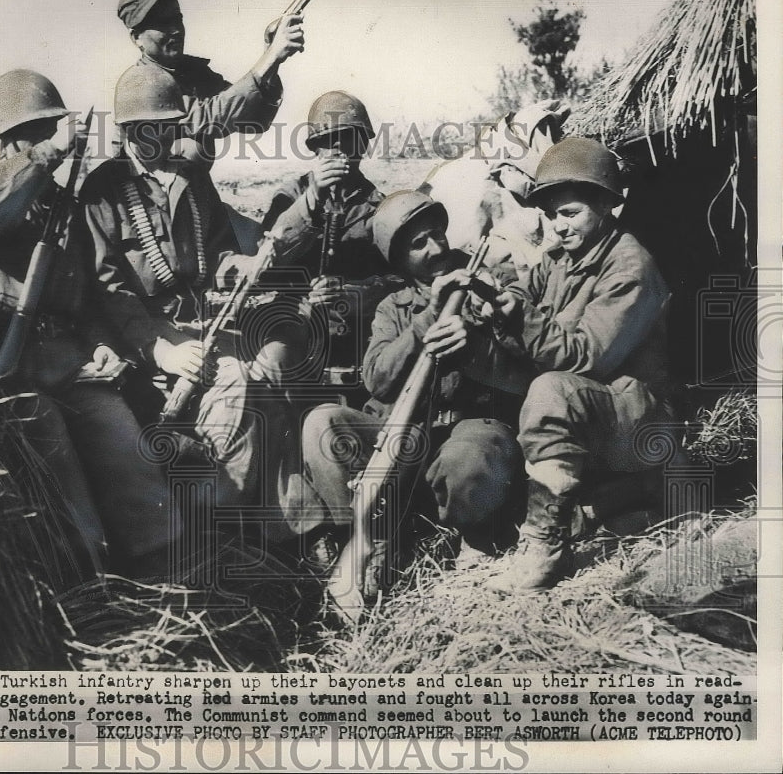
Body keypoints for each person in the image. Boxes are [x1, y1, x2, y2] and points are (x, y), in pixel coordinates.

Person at [0, 69, 180, 580]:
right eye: (37, 132)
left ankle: (163, 574)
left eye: (50, 130)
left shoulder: (62, 204)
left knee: (127, 449)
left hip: (68, 361)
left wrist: (99, 346)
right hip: (4, 368)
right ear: (11, 137)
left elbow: (86, 298)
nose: (47, 140)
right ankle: (89, 585)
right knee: (60, 470)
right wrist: (41, 159)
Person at [81, 63, 301, 547]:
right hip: (139, 346)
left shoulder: (191, 177)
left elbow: (214, 250)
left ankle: (239, 524)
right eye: (153, 130)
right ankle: (204, 531)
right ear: (129, 131)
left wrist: (237, 267)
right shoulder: (101, 192)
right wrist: (160, 351)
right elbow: (107, 292)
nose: (165, 139)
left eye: (171, 127)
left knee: (253, 386)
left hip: (203, 330)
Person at [464, 137, 675, 594]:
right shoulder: (560, 258)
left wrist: (520, 317)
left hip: (638, 422)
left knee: (549, 390)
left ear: (606, 205)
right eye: (550, 214)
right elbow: (525, 288)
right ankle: (610, 503)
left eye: (569, 213)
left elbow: (584, 357)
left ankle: (546, 544)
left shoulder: (630, 267)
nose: (557, 227)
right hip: (597, 419)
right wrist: (497, 307)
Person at [300, 190, 526, 601]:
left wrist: (479, 334)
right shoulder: (393, 307)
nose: (437, 248)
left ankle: (469, 534)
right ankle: (368, 533)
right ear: (399, 259)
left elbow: (525, 362)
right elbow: (378, 381)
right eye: (419, 243)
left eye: (437, 234)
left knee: (472, 457)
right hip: (402, 440)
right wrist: (426, 320)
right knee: (322, 424)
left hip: (464, 432)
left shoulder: (490, 279)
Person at [258, 91, 402, 389]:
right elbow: (265, 261)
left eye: (349, 138)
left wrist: (353, 293)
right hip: (295, 328)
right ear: (315, 148)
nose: (338, 148)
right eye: (328, 139)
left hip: (357, 335)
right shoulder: (292, 196)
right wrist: (313, 197)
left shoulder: (381, 209)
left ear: (363, 145)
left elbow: (400, 281)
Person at [116, 0, 304, 158]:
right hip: (141, 187)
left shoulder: (194, 73)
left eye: (177, 18)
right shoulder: (142, 83)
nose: (176, 29)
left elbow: (254, 120)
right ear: (136, 38)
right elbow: (207, 120)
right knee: (192, 148)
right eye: (162, 23)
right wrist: (270, 57)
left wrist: (271, 56)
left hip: (183, 185)